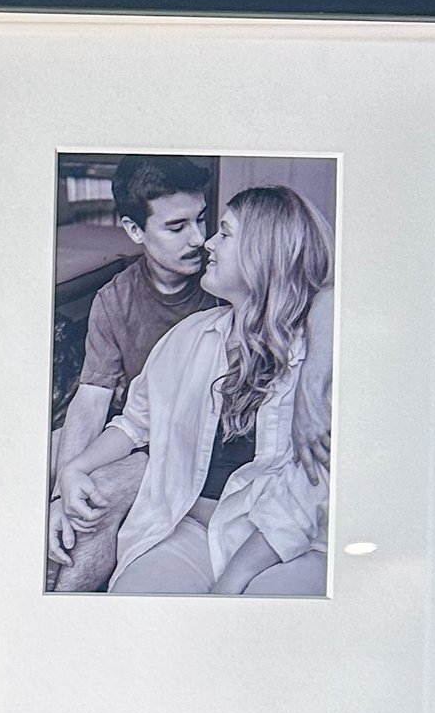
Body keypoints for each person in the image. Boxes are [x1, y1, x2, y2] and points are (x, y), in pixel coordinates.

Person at [63, 188, 334, 598]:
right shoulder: (191, 335)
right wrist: (76, 468)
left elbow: (310, 494)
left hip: (285, 545)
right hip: (186, 527)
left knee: (263, 629)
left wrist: (232, 581)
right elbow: (136, 424)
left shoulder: (322, 356)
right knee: (138, 612)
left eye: (224, 233)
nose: (207, 241)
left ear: (261, 253)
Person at [47, 158, 217, 591]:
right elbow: (90, 400)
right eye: (176, 227)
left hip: (183, 443)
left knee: (102, 493)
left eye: (201, 219)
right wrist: (60, 495)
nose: (199, 239)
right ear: (134, 230)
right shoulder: (114, 299)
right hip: (127, 430)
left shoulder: (223, 286)